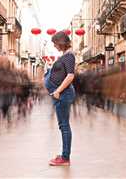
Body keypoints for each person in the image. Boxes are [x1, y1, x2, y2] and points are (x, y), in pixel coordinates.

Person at [44, 31, 76, 166]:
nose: (54, 46)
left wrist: (57, 91)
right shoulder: (66, 55)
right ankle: (64, 155)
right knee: (63, 125)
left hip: (63, 95)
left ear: (61, 42)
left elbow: (70, 76)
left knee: (64, 126)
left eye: (55, 43)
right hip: (62, 95)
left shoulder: (69, 56)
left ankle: (65, 158)